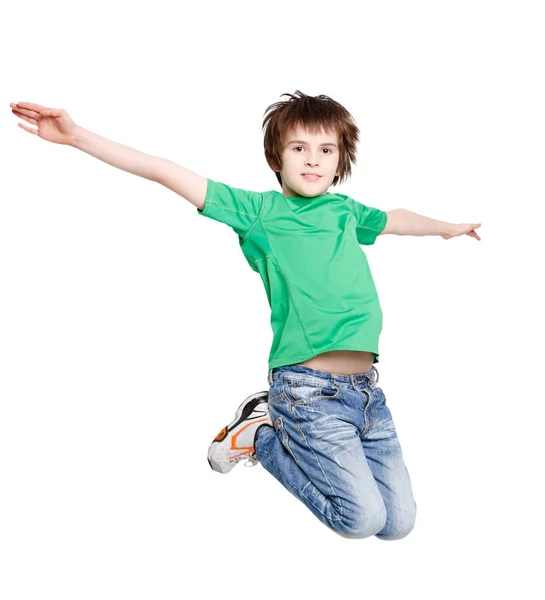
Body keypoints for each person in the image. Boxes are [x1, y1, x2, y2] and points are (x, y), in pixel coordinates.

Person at [10, 90, 481, 540]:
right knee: (358, 521)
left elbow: (397, 218)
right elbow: (164, 172)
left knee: (397, 525)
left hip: (366, 394)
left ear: (341, 161)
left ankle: (277, 434)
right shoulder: (260, 212)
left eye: (325, 149)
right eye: (299, 147)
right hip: (307, 391)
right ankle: (260, 436)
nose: (313, 159)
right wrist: (76, 136)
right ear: (278, 156)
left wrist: (446, 229)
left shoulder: (345, 211)